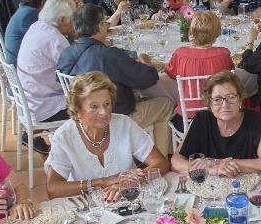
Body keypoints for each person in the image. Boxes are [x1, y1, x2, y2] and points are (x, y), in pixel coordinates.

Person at [57, 3, 176, 153]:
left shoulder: (66, 53)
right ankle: (160, 159)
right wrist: (146, 61)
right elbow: (148, 78)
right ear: (100, 27)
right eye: (106, 23)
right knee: (166, 104)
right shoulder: (109, 55)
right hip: (113, 119)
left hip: (83, 118)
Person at [44, 72, 169, 201]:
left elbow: (161, 163)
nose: (104, 112)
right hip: (88, 208)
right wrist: (102, 182)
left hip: (128, 200)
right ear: (77, 111)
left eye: (107, 104)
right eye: (94, 106)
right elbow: (53, 189)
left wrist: (129, 182)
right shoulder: (64, 137)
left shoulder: (123, 124)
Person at [171, 71, 261, 178]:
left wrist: (220, 163)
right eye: (217, 99)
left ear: (240, 99)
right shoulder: (202, 120)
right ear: (210, 103)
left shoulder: (254, 120)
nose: (225, 105)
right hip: (211, 189)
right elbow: (176, 162)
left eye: (231, 97)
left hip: (247, 186)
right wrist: (212, 169)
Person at [16, 0, 76, 123]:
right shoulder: (56, 40)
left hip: (28, 98)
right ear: (61, 20)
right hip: (43, 105)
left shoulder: (37, 26)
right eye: (72, 19)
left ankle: (33, 136)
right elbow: (72, 74)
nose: (74, 22)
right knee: (94, 101)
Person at [3, 0, 55, 66]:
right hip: (22, 67)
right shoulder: (29, 15)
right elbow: (46, 41)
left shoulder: (25, 10)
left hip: (20, 60)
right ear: (43, 3)